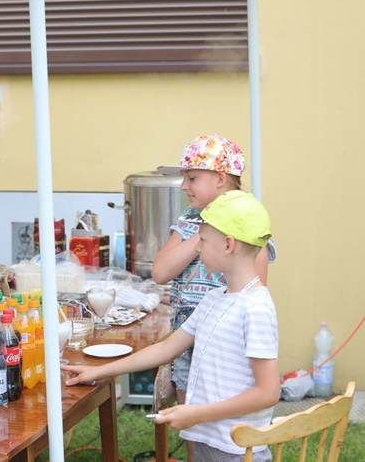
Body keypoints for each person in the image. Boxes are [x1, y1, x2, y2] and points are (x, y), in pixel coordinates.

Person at [63, 190, 279, 461]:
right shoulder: (214, 299)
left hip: (238, 450)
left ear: (228, 245)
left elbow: (268, 392)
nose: (197, 248)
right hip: (206, 440)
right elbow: (165, 350)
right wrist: (97, 372)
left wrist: (196, 412)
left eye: (202, 240)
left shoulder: (256, 308)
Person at [151, 134, 277, 461]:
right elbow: (160, 271)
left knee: (223, 425)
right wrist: (202, 233)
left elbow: (252, 292)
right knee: (195, 427)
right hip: (189, 335)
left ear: (221, 178)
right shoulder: (190, 222)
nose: (183, 186)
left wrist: (215, 230)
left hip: (227, 352)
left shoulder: (248, 228)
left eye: (192, 177)